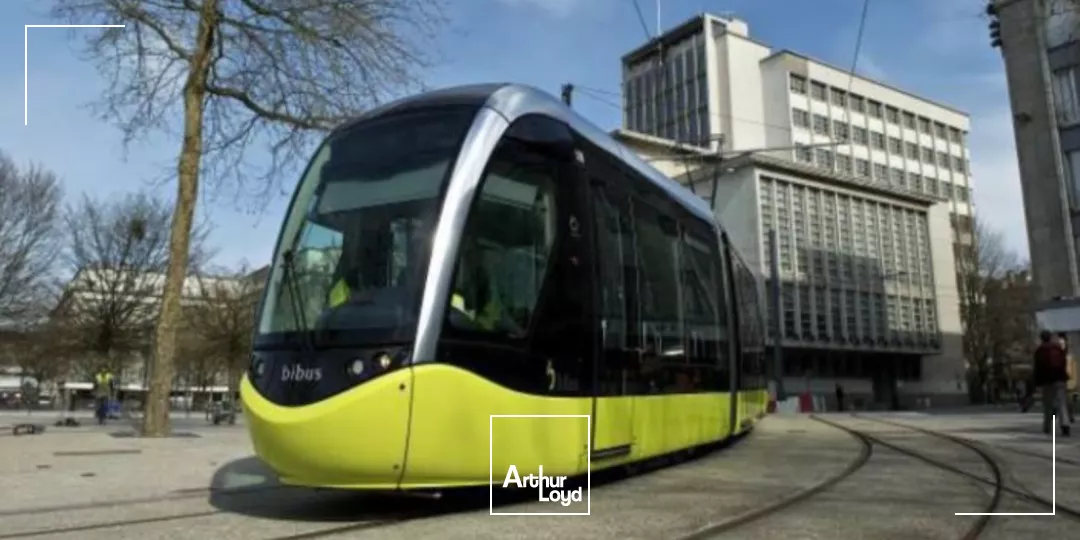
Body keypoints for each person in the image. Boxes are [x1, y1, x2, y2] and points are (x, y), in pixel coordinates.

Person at [1033, 331, 1072, 436]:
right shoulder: (1058, 348)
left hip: (1047, 381)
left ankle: (1047, 427)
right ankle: (1065, 425)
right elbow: (1063, 362)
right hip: (1060, 380)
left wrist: (1037, 383)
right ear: (1050, 338)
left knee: (1047, 404)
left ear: (1042, 338)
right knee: (1061, 403)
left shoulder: (1039, 351)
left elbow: (1037, 369)